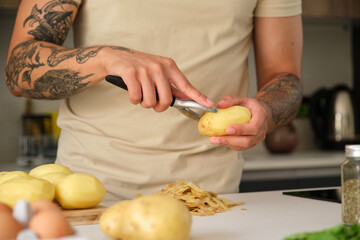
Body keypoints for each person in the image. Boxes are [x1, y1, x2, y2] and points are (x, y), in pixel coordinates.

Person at [6, 0, 303, 200]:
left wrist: (266, 110)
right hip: (92, 197)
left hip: (211, 198)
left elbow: (285, 76)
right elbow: (18, 71)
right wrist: (105, 58)